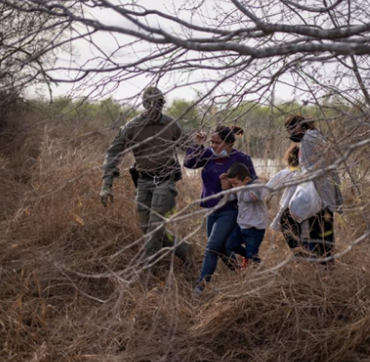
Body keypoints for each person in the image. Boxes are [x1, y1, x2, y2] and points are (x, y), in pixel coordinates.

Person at [98, 86, 191, 268]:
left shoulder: (171, 124)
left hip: (165, 182)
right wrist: (106, 184)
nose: (156, 108)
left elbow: (190, 149)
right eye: (152, 104)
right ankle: (183, 248)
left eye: (159, 104)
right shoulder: (131, 127)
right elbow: (113, 153)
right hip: (143, 182)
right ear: (144, 104)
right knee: (148, 230)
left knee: (155, 228)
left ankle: (147, 271)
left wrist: (206, 150)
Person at [183, 125, 256, 296]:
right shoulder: (208, 154)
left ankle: (199, 288)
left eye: (217, 143)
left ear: (229, 143)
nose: (213, 146)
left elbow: (254, 184)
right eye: (211, 142)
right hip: (211, 209)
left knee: (211, 248)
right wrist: (198, 145)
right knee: (221, 248)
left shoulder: (241, 158)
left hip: (230, 209)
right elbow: (189, 163)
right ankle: (242, 273)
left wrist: (233, 184)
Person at [283, 115, 343, 263]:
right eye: (288, 131)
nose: (290, 134)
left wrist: (311, 172)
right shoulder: (310, 138)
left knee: (322, 235)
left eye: (292, 129)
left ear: (300, 126)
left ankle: (324, 268)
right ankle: (318, 266)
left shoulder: (311, 136)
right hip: (317, 193)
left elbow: (331, 156)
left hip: (321, 194)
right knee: (317, 234)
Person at [265, 145, 310, 250]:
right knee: (306, 239)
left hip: (290, 211)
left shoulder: (286, 173)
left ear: (289, 158)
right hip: (309, 211)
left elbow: (267, 188)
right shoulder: (311, 174)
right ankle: (307, 260)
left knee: (295, 243)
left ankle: (300, 259)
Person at [224, 162, 268, 267]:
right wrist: (227, 188)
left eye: (235, 184)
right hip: (241, 226)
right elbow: (230, 198)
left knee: (252, 253)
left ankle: (257, 265)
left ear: (246, 179)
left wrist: (238, 190)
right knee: (230, 244)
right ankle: (247, 255)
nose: (234, 187)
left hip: (255, 228)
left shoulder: (257, 185)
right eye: (232, 184)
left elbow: (251, 197)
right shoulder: (240, 188)